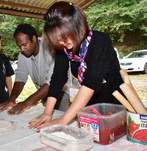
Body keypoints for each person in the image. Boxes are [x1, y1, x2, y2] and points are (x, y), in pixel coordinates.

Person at [28, 2, 124, 130]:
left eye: (64, 37)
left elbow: (91, 82)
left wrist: (64, 119)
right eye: (57, 40)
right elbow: (58, 77)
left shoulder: (100, 41)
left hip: (115, 106)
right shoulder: (64, 48)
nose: (61, 43)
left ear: (77, 26)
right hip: (89, 105)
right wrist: (47, 112)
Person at [0, 24, 70, 115]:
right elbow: (20, 78)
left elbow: (53, 81)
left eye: (24, 44)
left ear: (34, 39)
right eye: (19, 46)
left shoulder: (50, 48)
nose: (22, 49)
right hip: (44, 94)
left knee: (64, 120)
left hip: (64, 94)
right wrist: (11, 99)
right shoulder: (23, 55)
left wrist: (26, 103)